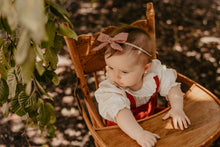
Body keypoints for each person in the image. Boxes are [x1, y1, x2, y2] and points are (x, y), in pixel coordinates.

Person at [93, 26, 191, 147]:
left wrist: (177, 108)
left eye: (124, 72)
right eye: (111, 67)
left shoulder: (153, 73)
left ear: (145, 68)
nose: (115, 76)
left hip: (150, 121)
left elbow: (172, 87)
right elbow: (121, 114)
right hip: (123, 131)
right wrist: (139, 134)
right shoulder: (112, 89)